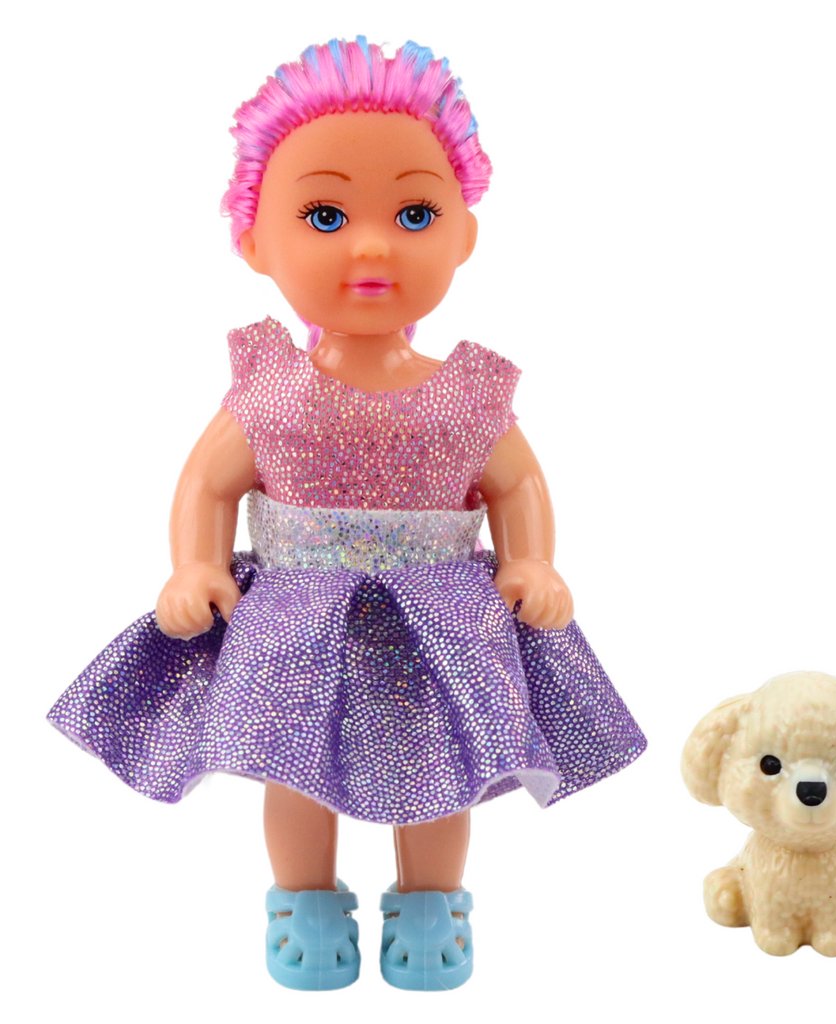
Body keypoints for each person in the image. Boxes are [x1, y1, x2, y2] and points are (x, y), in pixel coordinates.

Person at [48, 37, 646, 992]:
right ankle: (304, 901)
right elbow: (208, 484)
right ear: (254, 242)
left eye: (414, 214)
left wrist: (531, 560)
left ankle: (433, 904)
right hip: (296, 617)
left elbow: (516, 486)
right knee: (295, 767)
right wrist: (195, 564)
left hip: (442, 621)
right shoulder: (271, 387)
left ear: (463, 235)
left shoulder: (469, 394)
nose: (371, 245)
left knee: (438, 769)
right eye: (324, 215)